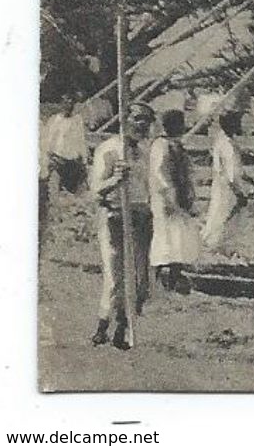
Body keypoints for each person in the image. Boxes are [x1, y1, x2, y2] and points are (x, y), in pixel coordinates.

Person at [89, 102, 156, 349]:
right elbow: (95, 190)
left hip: (141, 216)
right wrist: (115, 180)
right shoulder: (108, 150)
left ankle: (124, 326)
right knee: (115, 276)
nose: (142, 125)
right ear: (125, 120)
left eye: (147, 121)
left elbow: (153, 186)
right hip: (115, 215)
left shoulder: (147, 151)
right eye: (138, 119)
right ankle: (105, 327)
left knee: (141, 280)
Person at [149, 108, 201, 289]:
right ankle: (152, 280)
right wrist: (169, 194)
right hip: (166, 199)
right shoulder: (161, 145)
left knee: (179, 240)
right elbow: (159, 172)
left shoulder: (176, 145)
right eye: (178, 124)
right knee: (163, 239)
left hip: (178, 197)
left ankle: (174, 278)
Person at [203, 110, 253, 252]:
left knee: (217, 215)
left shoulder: (222, 140)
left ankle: (216, 247)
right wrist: (239, 193)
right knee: (223, 217)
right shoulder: (228, 146)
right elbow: (231, 175)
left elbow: (236, 170)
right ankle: (215, 248)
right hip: (229, 188)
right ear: (230, 124)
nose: (239, 124)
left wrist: (249, 180)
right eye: (237, 122)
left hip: (223, 185)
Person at [42, 89, 90, 195]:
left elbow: (81, 140)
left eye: (71, 102)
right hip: (58, 161)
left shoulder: (77, 120)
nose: (68, 105)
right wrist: (50, 159)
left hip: (73, 162)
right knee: (56, 191)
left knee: (74, 192)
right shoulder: (55, 120)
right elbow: (49, 142)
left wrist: (84, 160)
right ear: (61, 104)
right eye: (65, 102)